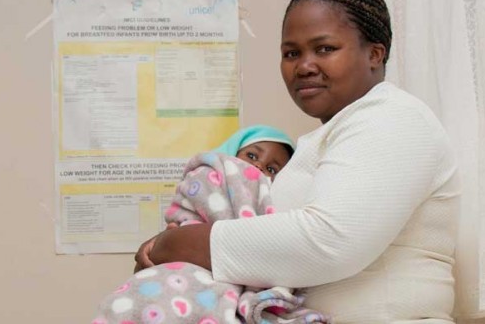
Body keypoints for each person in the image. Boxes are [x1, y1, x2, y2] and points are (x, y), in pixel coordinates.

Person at [136, 0, 460, 323]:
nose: (304, 66)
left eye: (325, 48)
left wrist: (175, 245)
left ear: (375, 54)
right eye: (291, 53)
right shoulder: (330, 135)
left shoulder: (394, 117)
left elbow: (327, 242)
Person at [94, 125, 332, 323]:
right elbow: (189, 214)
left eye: (271, 168)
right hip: (183, 265)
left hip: (233, 274)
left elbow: (267, 234)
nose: (258, 167)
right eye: (251, 156)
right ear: (231, 153)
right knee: (146, 297)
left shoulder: (279, 203)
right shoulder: (210, 174)